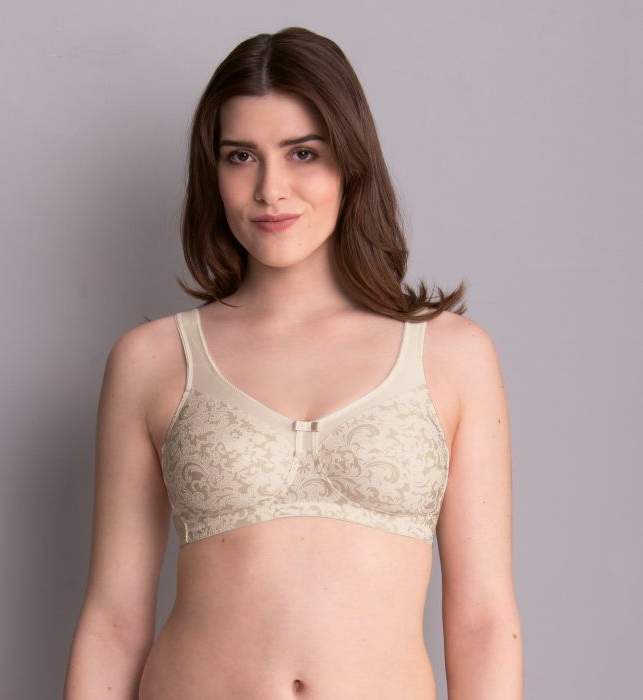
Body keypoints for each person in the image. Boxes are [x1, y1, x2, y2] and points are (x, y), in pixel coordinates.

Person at [64, 26, 523, 700]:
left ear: (351, 162)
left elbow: (483, 621)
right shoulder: (152, 361)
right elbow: (112, 622)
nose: (270, 189)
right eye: (240, 157)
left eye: (302, 153)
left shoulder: (454, 355)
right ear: (213, 172)